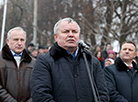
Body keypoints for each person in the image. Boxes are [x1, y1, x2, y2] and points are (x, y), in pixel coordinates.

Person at [30, 17, 109, 102]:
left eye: (74, 32)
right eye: (66, 31)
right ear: (56, 37)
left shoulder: (92, 62)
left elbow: (103, 94)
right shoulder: (44, 61)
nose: (71, 35)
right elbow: (40, 95)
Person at [0, 27, 35, 102]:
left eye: (22, 40)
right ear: (8, 41)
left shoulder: (34, 63)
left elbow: (38, 87)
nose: (19, 43)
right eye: (16, 39)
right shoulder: (0, 60)